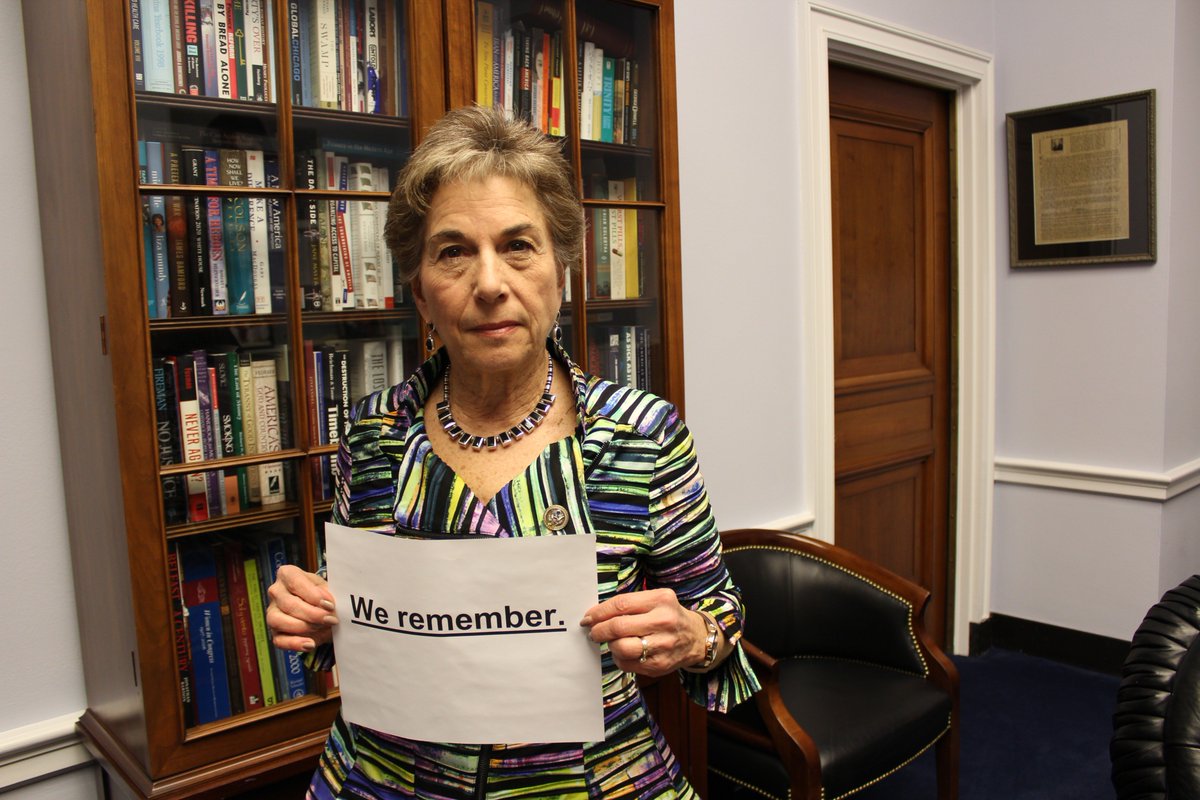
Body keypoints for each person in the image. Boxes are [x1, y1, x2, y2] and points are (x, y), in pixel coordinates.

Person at [266, 105, 760, 799]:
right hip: (385, 780)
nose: (490, 283)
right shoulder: (373, 434)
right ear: (421, 293)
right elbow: (351, 613)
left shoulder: (640, 436)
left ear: (562, 272)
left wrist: (694, 637)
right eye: (453, 251)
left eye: (518, 245)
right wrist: (309, 614)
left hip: (591, 782)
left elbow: (719, 614)